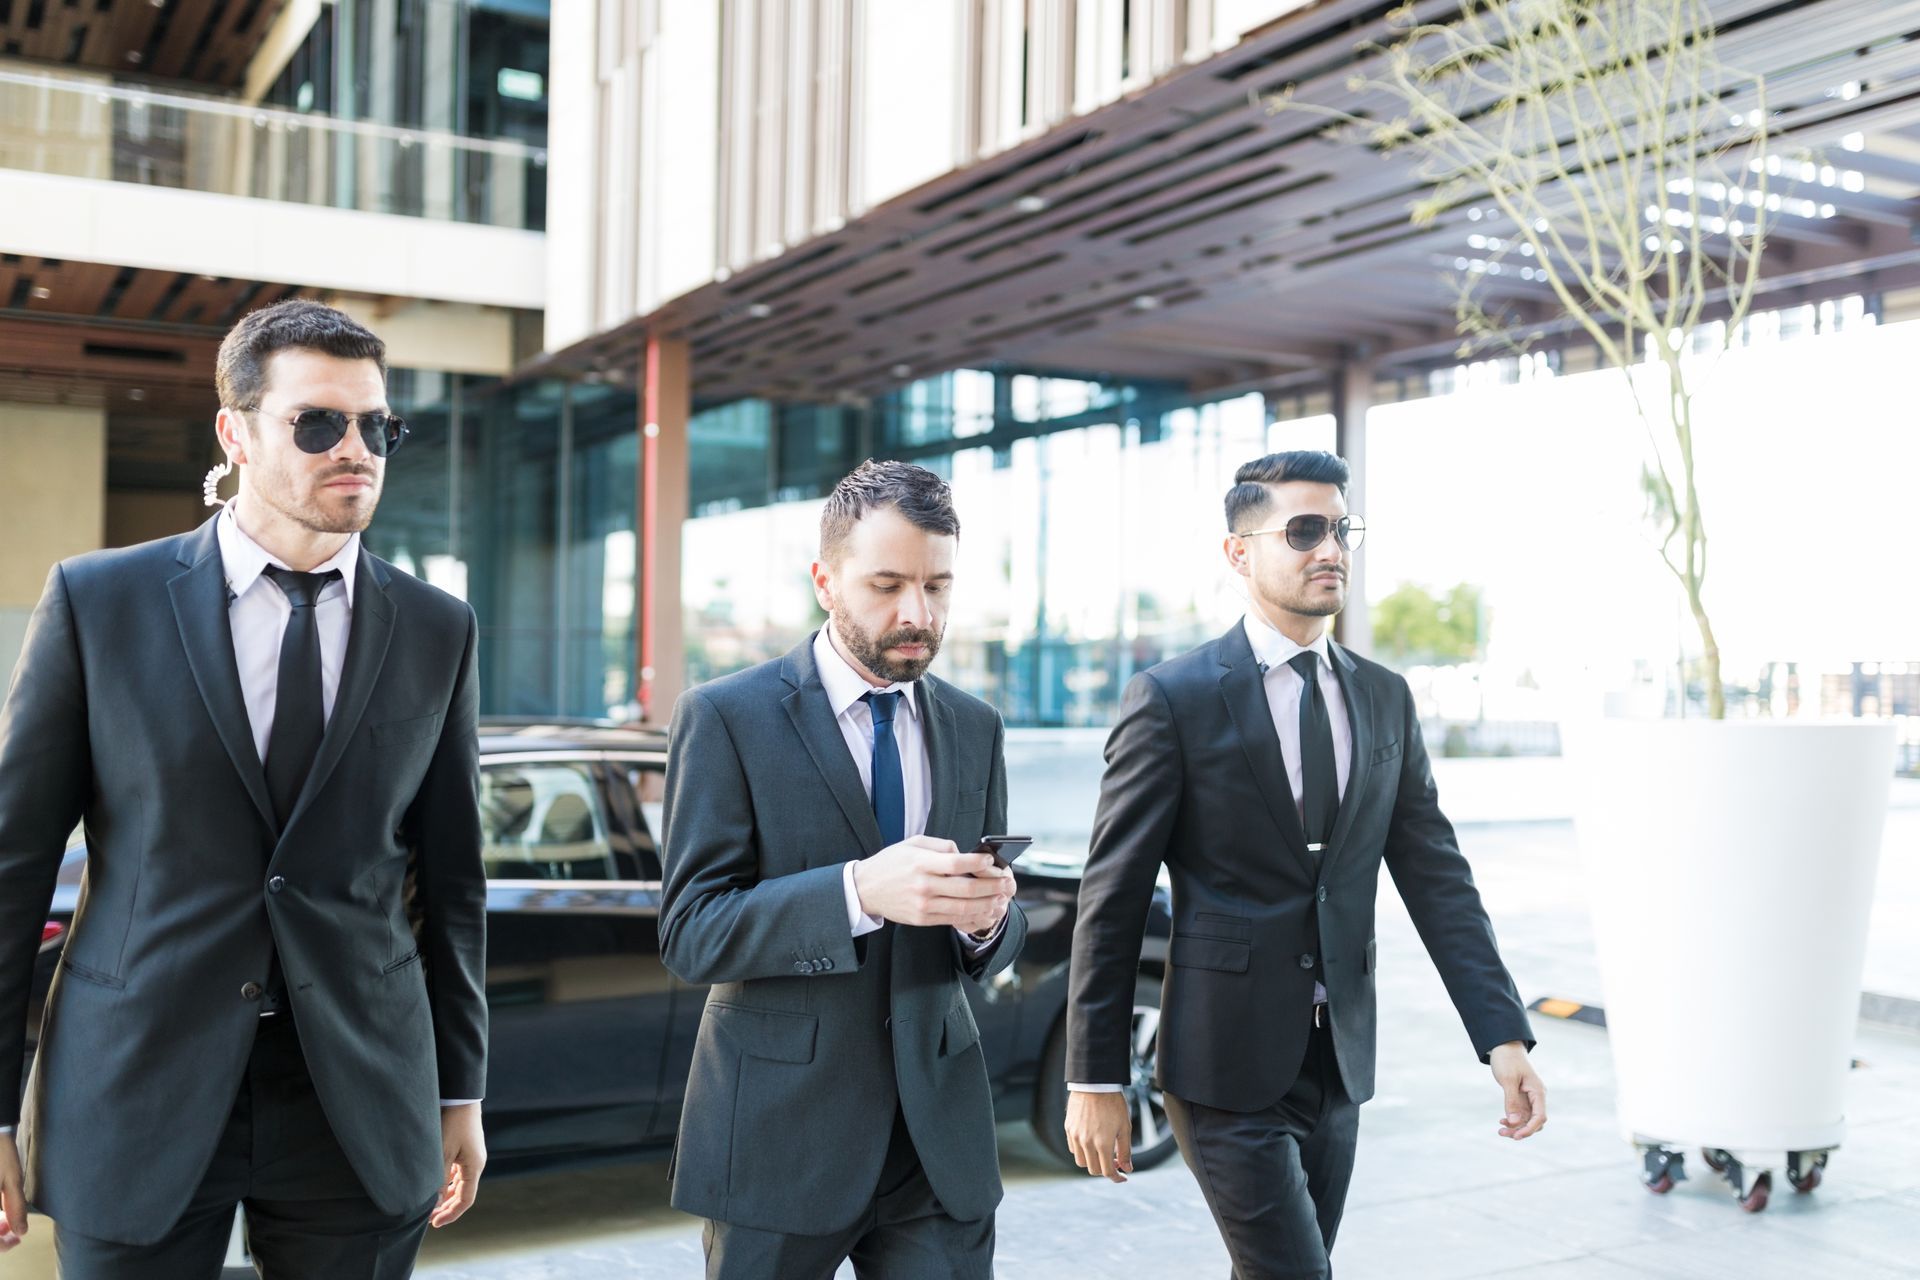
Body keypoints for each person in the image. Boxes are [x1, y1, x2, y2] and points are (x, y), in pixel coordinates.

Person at [0, 300, 489, 1278]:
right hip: (136, 1081)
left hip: (357, 1089)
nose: (356, 448)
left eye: (375, 426)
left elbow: (452, 881)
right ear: (236, 430)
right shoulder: (100, 602)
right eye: (319, 422)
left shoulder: (438, 627)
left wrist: (460, 1091)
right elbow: (12, 868)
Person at [1063, 450, 1545, 1279]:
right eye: (1305, 530)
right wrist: (1093, 1077)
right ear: (1238, 551)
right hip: (1222, 1068)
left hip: (1339, 1064)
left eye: (1341, 529)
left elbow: (1436, 875)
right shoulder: (1174, 699)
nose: (1332, 550)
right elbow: (1113, 898)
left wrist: (1501, 1034)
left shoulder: (1384, 696)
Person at [660, 459, 1025, 1280]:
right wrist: (858, 893)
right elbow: (691, 934)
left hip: (937, 1145)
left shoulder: (977, 726)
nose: (916, 613)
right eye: (887, 584)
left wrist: (989, 921)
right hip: (778, 1141)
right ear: (826, 580)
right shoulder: (725, 717)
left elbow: (997, 938)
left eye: (938, 587)